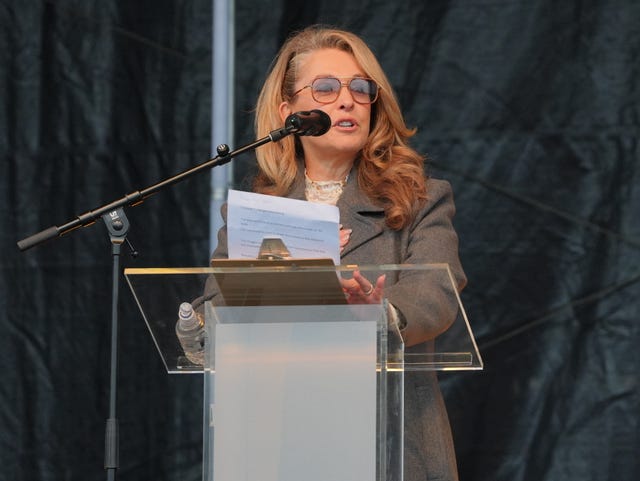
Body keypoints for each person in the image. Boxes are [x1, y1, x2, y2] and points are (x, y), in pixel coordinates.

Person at [209, 25, 467, 481]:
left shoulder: (421, 198)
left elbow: (438, 293)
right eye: (326, 88)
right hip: (276, 445)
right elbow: (215, 311)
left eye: (360, 89)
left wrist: (380, 314)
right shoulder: (256, 216)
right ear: (288, 111)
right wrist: (195, 326)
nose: (347, 101)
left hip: (391, 443)